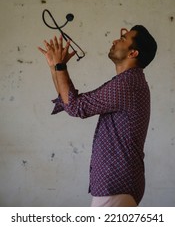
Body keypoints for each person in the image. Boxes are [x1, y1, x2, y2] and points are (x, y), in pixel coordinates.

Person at [38, 25, 157, 207]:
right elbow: (71, 102)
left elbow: (75, 107)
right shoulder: (129, 82)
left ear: (133, 53)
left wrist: (60, 66)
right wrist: (56, 67)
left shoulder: (127, 85)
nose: (115, 40)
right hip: (118, 184)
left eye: (123, 38)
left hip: (116, 184)